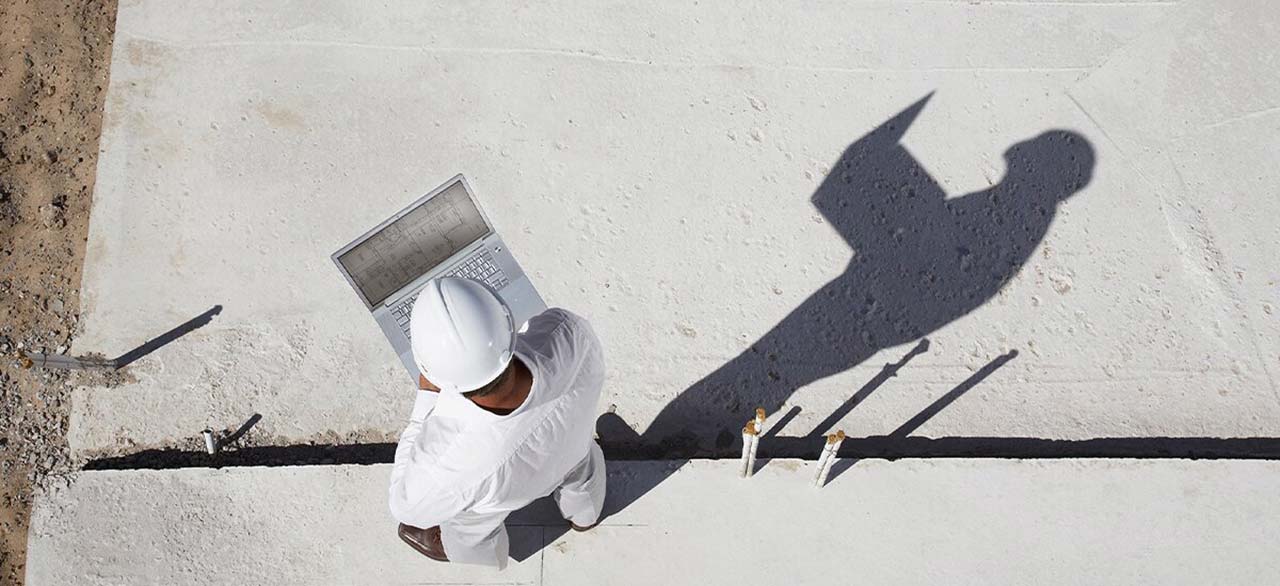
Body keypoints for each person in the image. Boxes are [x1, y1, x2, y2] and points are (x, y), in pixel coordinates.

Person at [389, 277, 607, 568]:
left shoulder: (446, 464)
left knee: (469, 527)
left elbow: (407, 508)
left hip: (504, 495)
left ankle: (489, 558)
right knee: (581, 467)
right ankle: (584, 515)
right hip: (573, 449)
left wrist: (428, 396)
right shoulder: (567, 329)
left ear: (434, 371)